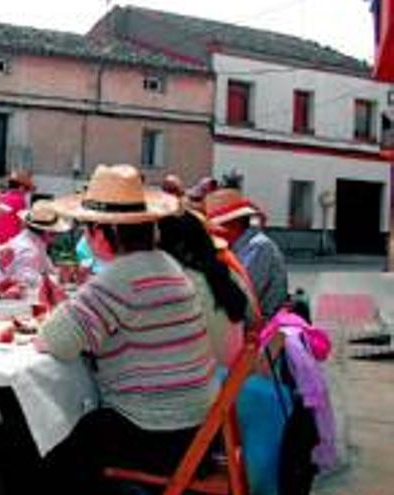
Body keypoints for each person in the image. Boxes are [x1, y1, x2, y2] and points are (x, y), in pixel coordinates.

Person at [32, 164, 215, 494]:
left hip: (157, 435)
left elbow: (54, 341)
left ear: (102, 234)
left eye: (88, 229)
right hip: (195, 430)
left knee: (38, 441)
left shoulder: (121, 276)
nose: (86, 236)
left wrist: (59, 310)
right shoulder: (165, 264)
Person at [159, 210, 250, 366]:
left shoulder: (174, 286)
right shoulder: (227, 274)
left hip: (200, 382)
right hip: (233, 380)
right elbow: (254, 316)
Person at [205, 188, 288, 322]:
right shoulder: (238, 247)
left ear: (234, 224)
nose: (212, 233)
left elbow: (244, 296)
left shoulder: (259, 246)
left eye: (217, 227)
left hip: (262, 327)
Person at [0, 200, 72, 302]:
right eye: (55, 233)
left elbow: (47, 269)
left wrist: (58, 275)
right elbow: (27, 280)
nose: (56, 237)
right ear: (47, 232)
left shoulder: (35, 244)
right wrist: (59, 278)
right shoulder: (29, 249)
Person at [0, 170, 34, 246]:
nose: (27, 192)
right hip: (12, 246)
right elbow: (24, 226)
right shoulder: (20, 201)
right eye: (27, 189)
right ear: (21, 187)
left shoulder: (0, 198)